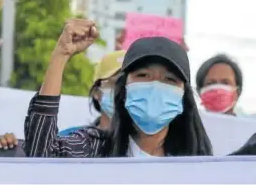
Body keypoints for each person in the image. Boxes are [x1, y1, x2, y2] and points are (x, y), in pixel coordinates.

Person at [24, 19, 213, 158]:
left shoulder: (196, 164)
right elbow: (41, 156)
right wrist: (60, 56)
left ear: (183, 97)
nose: (155, 87)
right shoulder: (95, 149)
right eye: (143, 76)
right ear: (123, 90)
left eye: (169, 80)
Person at [0, 50, 126, 152]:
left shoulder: (142, 144)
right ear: (97, 91)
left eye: (130, 84)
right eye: (117, 83)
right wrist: (7, 149)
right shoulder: (73, 142)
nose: (124, 91)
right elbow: (40, 153)